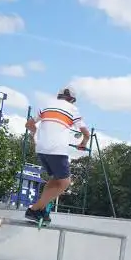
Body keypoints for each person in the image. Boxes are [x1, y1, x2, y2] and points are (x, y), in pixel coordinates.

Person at [24, 87, 90, 223]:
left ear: (58, 96)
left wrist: (36, 135)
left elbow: (29, 124)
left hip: (41, 148)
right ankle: (34, 209)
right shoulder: (72, 108)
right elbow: (85, 132)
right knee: (65, 182)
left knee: (55, 179)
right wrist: (83, 142)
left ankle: (41, 210)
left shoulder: (46, 104)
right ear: (72, 100)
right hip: (56, 149)